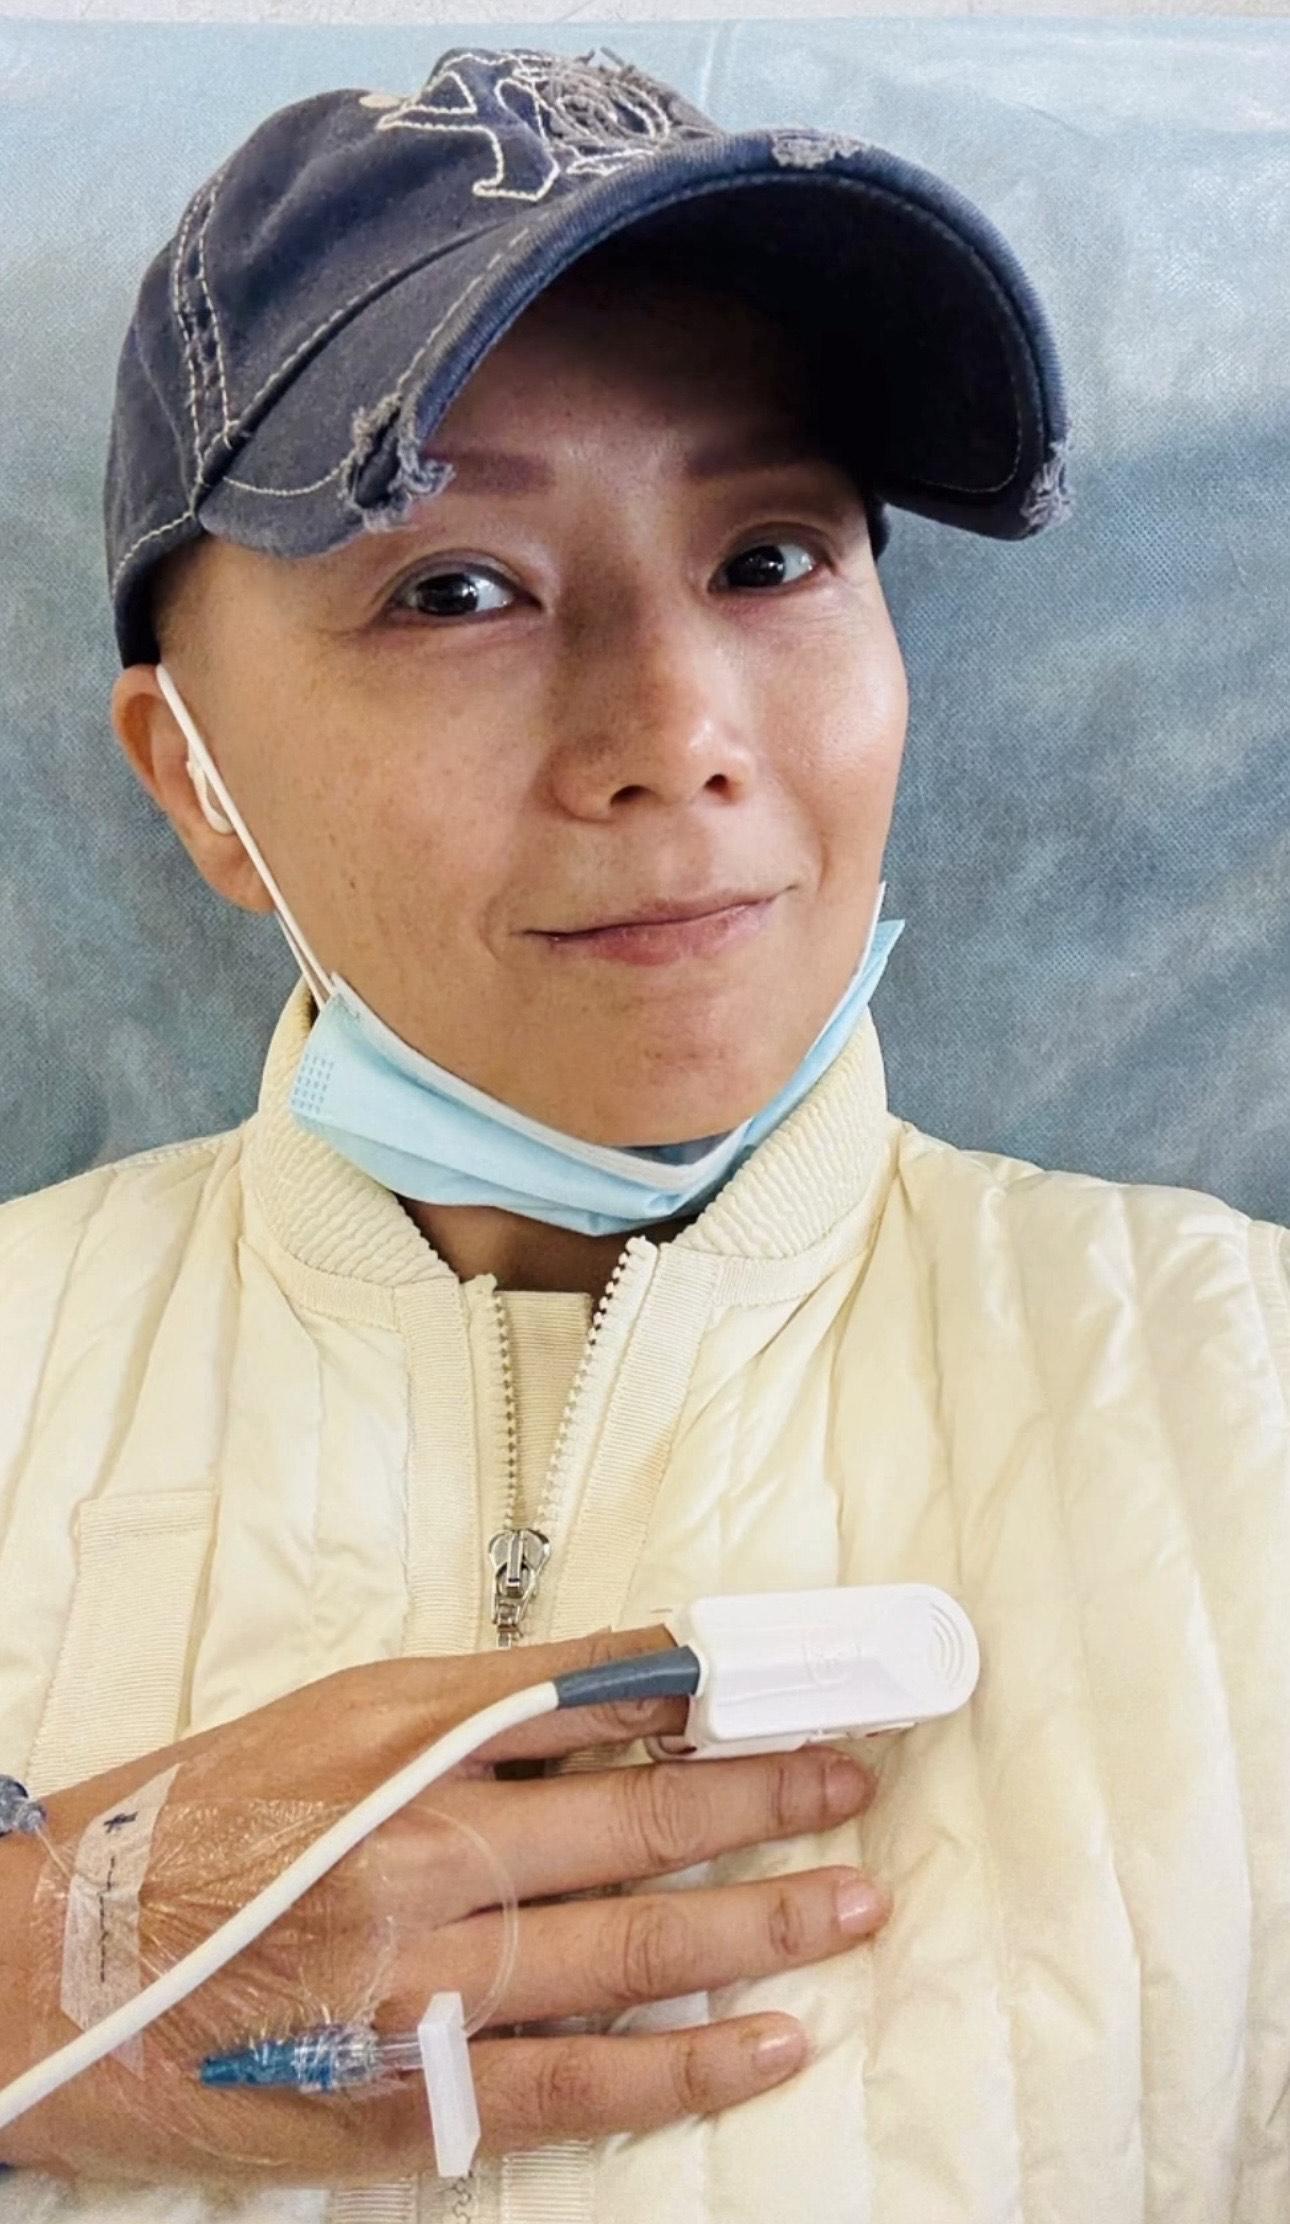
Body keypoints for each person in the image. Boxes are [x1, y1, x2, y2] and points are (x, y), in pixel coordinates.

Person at [0, 38, 1286, 2224]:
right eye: (456, 588)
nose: (675, 733)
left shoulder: (1240, 1391)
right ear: (196, 778)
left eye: (769, 555)